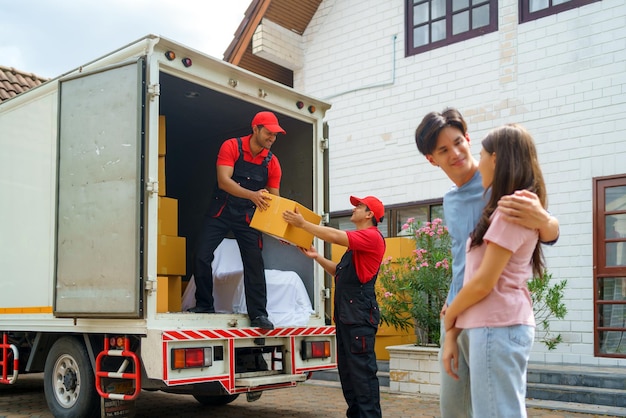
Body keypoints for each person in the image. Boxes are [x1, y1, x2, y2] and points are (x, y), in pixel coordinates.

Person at [414, 108, 559, 417]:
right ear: (432, 159)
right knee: (454, 410)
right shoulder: (450, 200)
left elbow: (544, 231)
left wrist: (547, 221)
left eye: (459, 142)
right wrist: (450, 323)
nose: (456, 153)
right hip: (457, 312)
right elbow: (461, 263)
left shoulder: (501, 182)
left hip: (493, 316)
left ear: (467, 139)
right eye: (443, 150)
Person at [442, 124, 547, 417]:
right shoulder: (505, 207)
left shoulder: (513, 209)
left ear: (497, 160)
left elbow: (482, 283)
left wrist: (450, 314)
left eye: (481, 154)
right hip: (489, 323)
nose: (478, 162)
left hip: (496, 325)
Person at [282, 195, 386, 418]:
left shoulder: (371, 237)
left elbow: (336, 236)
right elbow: (340, 272)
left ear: (370, 214)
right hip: (349, 317)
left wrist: (303, 224)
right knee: (349, 377)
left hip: (358, 318)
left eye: (359, 206)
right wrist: (316, 257)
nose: (354, 208)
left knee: (363, 378)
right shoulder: (358, 245)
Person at [190, 110, 286, 330]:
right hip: (221, 210)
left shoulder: (273, 162)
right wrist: (252, 194)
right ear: (256, 129)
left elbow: (275, 199)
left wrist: (281, 230)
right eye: (269, 133)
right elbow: (224, 181)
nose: (272, 138)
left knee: (254, 263)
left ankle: (259, 315)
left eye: (275, 135)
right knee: (201, 254)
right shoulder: (231, 146)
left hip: (248, 216)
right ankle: (204, 304)